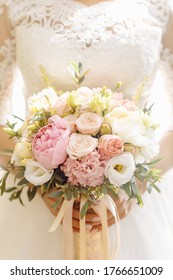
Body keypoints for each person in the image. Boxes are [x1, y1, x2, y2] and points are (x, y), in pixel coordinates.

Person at [0, 0, 173, 259]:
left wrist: (138, 183)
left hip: (132, 201)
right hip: (36, 200)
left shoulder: (160, 6)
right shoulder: (14, 6)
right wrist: (39, 179)